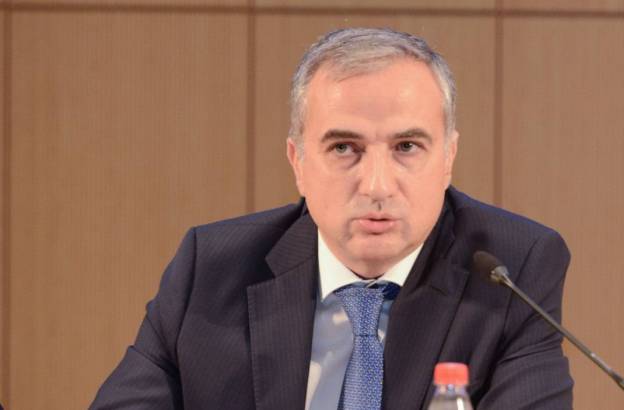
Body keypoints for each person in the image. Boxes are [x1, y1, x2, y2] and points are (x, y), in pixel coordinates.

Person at [91, 27, 573, 409]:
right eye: (344, 148)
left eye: (407, 147)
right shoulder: (211, 269)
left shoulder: (513, 272)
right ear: (298, 162)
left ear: (448, 158)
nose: (377, 185)